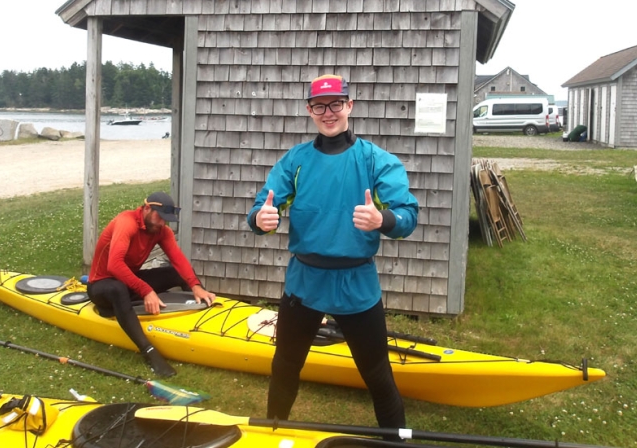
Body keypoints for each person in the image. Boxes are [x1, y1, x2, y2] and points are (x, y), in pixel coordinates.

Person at [246, 75, 419, 432]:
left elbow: (408, 215)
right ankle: (269, 433)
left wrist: (383, 218)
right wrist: (259, 218)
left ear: (349, 106)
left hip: (356, 283)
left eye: (336, 104)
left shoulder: (375, 161)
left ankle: (396, 442)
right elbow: (264, 205)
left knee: (376, 373)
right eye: (320, 106)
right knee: (285, 366)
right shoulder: (296, 161)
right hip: (305, 282)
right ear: (310, 111)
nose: (329, 113)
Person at [88, 191, 215, 378]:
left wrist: (195, 285)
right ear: (147, 208)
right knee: (118, 288)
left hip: (128, 281)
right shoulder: (126, 223)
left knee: (175, 272)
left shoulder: (161, 231)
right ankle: (148, 351)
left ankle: (199, 324)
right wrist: (146, 290)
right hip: (101, 286)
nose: (163, 223)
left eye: (166, 220)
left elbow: (178, 260)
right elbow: (114, 265)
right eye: (160, 217)